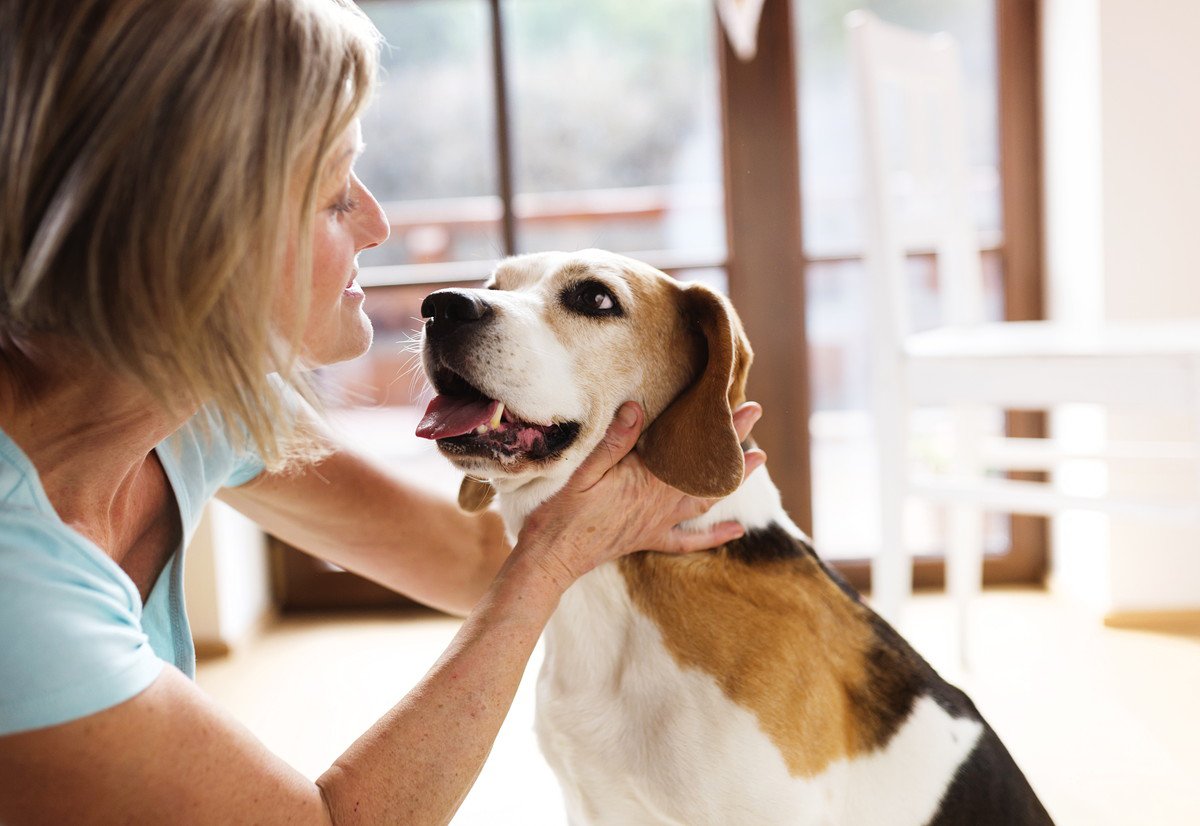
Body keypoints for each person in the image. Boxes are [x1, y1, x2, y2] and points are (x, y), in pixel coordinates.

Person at [0, 1, 766, 822]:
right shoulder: (19, 590)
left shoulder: (190, 404)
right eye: (334, 194)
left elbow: (466, 557)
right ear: (194, 234)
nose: (377, 222)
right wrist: (546, 563)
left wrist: (625, 494)